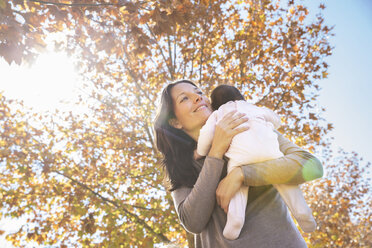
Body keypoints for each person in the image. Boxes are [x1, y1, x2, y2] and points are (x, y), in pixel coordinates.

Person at [154, 80, 323, 248]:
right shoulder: (180, 165)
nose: (199, 98)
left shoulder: (250, 125)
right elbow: (193, 222)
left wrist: (241, 174)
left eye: (199, 92)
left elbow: (312, 166)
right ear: (175, 122)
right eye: (185, 98)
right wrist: (216, 152)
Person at [197, 85, 316, 240]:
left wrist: (200, 151)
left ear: (214, 106)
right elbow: (275, 120)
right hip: (271, 153)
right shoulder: (254, 108)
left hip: (241, 159)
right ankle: (303, 213)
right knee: (286, 182)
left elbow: (206, 134)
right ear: (241, 97)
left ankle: (235, 221)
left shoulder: (218, 115)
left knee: (237, 187)